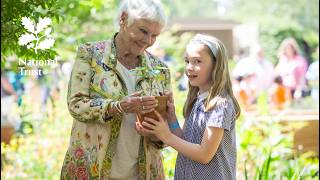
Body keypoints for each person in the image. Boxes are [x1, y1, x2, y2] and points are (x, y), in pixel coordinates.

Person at [60, 0, 171, 179]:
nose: (148, 41)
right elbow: (76, 104)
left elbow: (164, 128)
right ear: (123, 19)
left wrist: (160, 130)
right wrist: (117, 107)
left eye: (154, 35)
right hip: (92, 170)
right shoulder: (90, 55)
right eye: (143, 31)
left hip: (143, 173)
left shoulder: (160, 69)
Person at [137, 34, 241, 179]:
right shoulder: (197, 100)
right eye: (187, 61)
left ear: (216, 65)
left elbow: (204, 154)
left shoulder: (220, 105)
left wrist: (166, 136)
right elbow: (185, 142)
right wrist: (171, 117)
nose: (189, 68)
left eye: (197, 61)